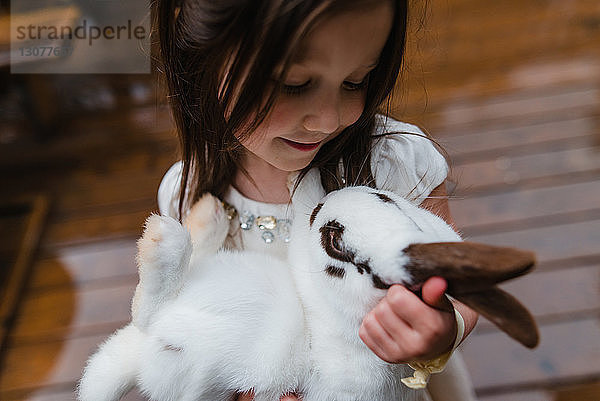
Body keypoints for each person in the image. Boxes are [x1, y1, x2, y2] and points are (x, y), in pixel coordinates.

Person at [155, 0, 479, 400]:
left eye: (356, 81)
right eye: (293, 84)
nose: (328, 119)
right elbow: (189, 321)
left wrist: (444, 328)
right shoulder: (185, 197)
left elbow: (462, 289)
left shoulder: (396, 164)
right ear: (202, 59)